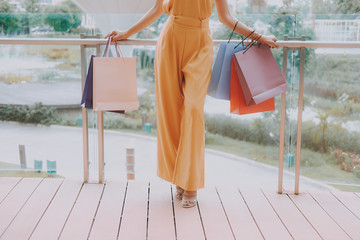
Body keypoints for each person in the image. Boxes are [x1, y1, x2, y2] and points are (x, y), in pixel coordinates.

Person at [105, 0, 279, 208]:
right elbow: (158, 9)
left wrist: (259, 38)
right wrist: (126, 33)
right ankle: (179, 177)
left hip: (200, 42)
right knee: (170, 112)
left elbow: (226, 17)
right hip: (170, 40)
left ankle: (191, 182)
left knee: (194, 110)